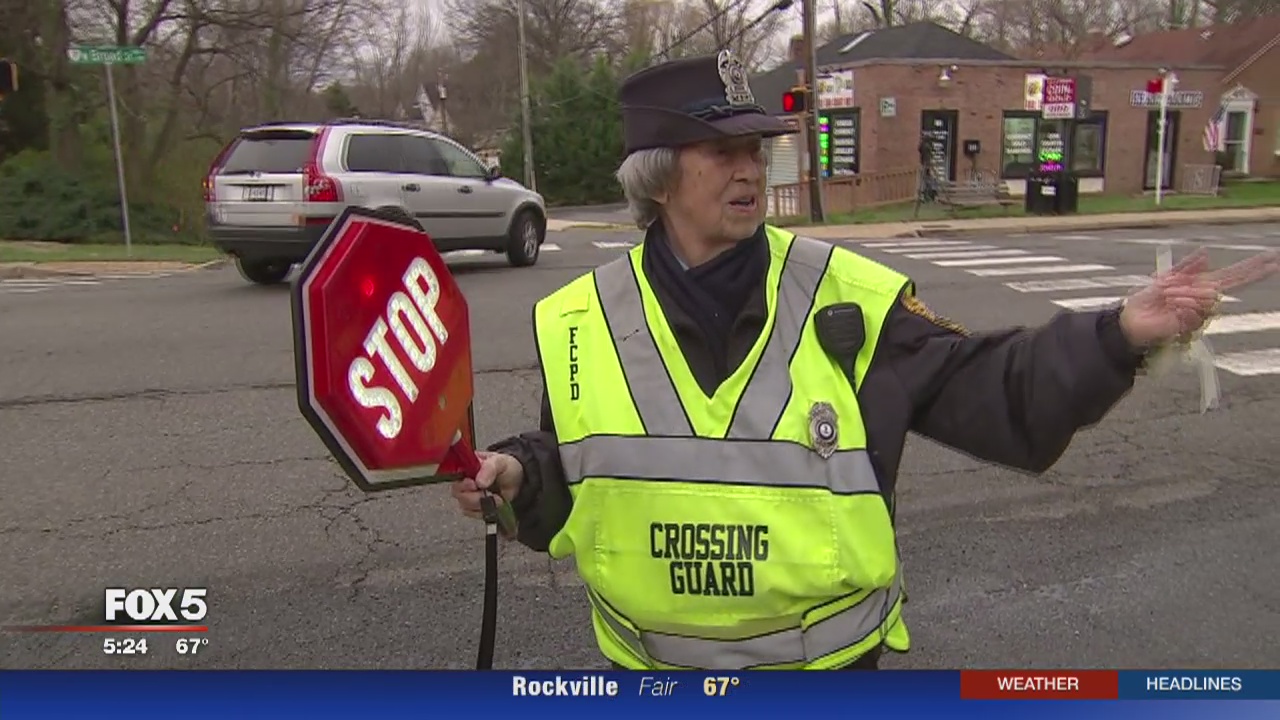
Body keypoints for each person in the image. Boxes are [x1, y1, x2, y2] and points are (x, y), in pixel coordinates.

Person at [451, 51, 1280, 671]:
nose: (752, 169)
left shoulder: (849, 298)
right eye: (721, 152)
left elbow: (995, 392)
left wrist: (1118, 333)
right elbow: (584, 475)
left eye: (760, 147)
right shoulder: (575, 316)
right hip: (648, 679)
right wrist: (519, 475)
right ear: (659, 179)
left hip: (830, 679)